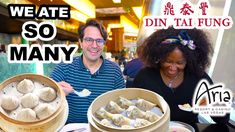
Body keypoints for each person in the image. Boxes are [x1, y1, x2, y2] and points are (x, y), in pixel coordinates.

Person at [132, 27, 229, 125]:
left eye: (180, 63)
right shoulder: (145, 77)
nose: (173, 68)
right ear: (160, 57)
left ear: (188, 60)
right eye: (168, 61)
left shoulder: (198, 77)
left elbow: (223, 120)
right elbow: (132, 110)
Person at [50, 19, 125, 123]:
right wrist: (57, 93)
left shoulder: (114, 71)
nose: (94, 45)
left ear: (104, 44)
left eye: (99, 41)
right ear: (80, 42)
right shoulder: (64, 67)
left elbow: (122, 104)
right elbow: (47, 100)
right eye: (89, 40)